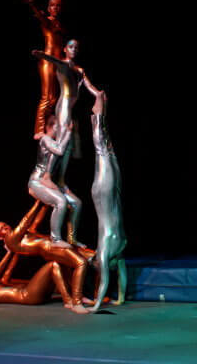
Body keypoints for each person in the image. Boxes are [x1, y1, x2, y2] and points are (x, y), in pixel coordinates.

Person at [32, 39, 100, 245]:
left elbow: (89, 86)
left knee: (69, 146)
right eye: (71, 47)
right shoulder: (63, 64)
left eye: (77, 47)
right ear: (65, 49)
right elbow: (53, 60)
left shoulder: (79, 70)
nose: (74, 50)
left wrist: (98, 95)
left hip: (70, 108)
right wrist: (42, 55)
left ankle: (60, 181)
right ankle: (47, 176)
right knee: (62, 142)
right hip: (63, 107)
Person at [0, 200, 95, 314]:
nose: (5, 227)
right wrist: (37, 203)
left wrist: (44, 204)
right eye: (1, 229)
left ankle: (77, 297)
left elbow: (36, 221)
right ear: (0, 237)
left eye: (4, 225)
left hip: (53, 246)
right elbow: (25, 221)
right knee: (81, 263)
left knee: (70, 269)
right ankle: (77, 303)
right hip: (50, 249)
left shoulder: (23, 235)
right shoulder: (11, 240)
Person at [88, 90, 127, 313]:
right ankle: (98, 113)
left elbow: (121, 275)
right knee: (101, 150)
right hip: (103, 192)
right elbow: (104, 281)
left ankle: (102, 111)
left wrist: (120, 299)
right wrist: (96, 306)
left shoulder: (121, 246)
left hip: (114, 192)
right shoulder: (104, 250)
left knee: (108, 152)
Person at [27, 115, 81, 248]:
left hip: (51, 182)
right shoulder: (45, 139)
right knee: (61, 201)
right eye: (59, 127)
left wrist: (74, 133)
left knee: (76, 203)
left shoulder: (56, 142)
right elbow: (59, 150)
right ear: (50, 127)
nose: (61, 130)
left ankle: (72, 239)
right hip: (37, 181)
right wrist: (68, 132)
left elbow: (76, 154)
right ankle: (55, 239)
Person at [0, 250, 73, 309]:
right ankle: (68, 300)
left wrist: (15, 251)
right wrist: (9, 252)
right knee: (53, 265)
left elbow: (8, 271)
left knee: (60, 262)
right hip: (30, 296)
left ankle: (76, 294)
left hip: (37, 295)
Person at [21, 0, 67, 139]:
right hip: (47, 62)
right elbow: (40, 17)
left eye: (58, 5)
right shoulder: (48, 21)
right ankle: (39, 130)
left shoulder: (60, 25)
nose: (56, 8)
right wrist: (32, 4)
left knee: (54, 99)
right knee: (47, 97)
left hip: (57, 63)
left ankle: (48, 128)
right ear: (48, 8)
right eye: (53, 5)